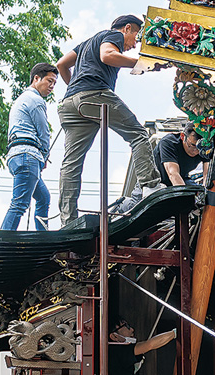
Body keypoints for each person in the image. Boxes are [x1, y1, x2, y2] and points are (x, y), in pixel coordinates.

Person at [56, 16, 162, 225]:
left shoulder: (86, 43)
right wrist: (143, 64)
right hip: (95, 95)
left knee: (72, 162)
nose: (132, 46)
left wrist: (75, 89)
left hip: (69, 104)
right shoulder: (113, 35)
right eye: (135, 39)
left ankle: (67, 221)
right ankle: (150, 186)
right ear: (128, 28)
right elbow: (108, 56)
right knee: (139, 134)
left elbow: (61, 65)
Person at [0, 62, 58, 231]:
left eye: (54, 83)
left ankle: (42, 236)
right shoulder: (35, 100)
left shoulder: (22, 99)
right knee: (19, 203)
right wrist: (44, 156)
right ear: (36, 78)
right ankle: (4, 241)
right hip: (28, 155)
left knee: (43, 198)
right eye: (49, 81)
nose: (52, 86)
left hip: (17, 155)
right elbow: (44, 132)